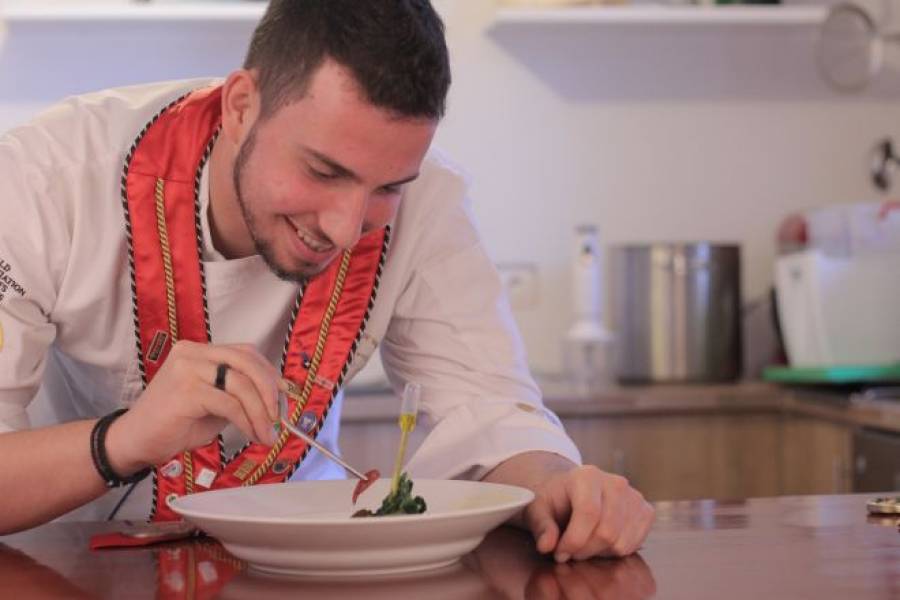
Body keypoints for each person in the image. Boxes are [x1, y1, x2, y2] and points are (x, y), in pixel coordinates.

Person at [0, 0, 654, 560]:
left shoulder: (430, 200)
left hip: (308, 565)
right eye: (323, 171)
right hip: (69, 563)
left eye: (387, 187)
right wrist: (126, 438)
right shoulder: (46, 180)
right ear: (240, 106)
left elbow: (488, 411)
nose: (345, 228)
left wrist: (559, 486)